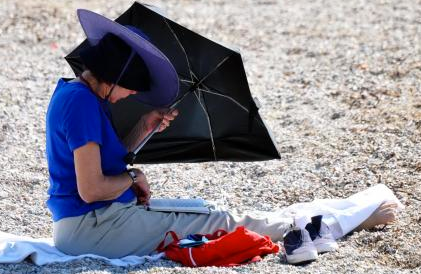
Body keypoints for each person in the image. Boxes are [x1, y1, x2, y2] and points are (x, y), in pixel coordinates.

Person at [46, 9, 399, 261]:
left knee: (206, 210)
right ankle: (337, 218)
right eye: (131, 89)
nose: (132, 96)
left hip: (98, 220)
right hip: (93, 228)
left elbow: (106, 163)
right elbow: (90, 189)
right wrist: (133, 177)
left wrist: (143, 128)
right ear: (115, 76)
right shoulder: (81, 104)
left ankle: (329, 213)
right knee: (218, 222)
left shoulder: (78, 95)